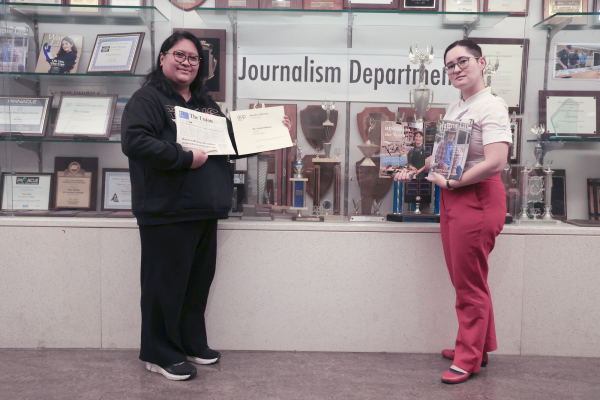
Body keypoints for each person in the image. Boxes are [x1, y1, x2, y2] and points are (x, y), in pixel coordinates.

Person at [121, 31, 292, 381]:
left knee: (197, 284)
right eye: (179, 55)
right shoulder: (147, 99)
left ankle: (189, 342)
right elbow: (135, 142)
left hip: (203, 209)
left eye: (193, 58)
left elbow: (229, 142)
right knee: (164, 285)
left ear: (201, 66)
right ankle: (160, 353)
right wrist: (183, 157)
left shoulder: (204, 104)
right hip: (165, 211)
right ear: (162, 58)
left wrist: (273, 131)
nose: (186, 62)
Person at [395, 39, 511, 384]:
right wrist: (413, 167)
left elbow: (496, 162)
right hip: (454, 195)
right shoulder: (456, 107)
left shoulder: (492, 106)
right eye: (450, 65)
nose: (457, 69)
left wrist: (454, 184)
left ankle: (468, 357)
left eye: (463, 61)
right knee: (469, 279)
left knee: (468, 284)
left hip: (476, 198)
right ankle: (480, 346)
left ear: (481, 62)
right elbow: (444, 156)